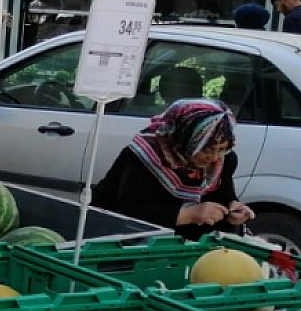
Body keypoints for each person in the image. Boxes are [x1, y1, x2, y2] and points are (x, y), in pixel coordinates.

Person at [92, 99, 255, 240]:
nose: (213, 158)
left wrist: (233, 211)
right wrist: (189, 214)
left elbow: (222, 196)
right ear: (184, 138)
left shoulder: (223, 160)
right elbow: (128, 212)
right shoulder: (144, 156)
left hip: (184, 243)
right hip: (121, 238)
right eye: (207, 149)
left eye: (221, 149)